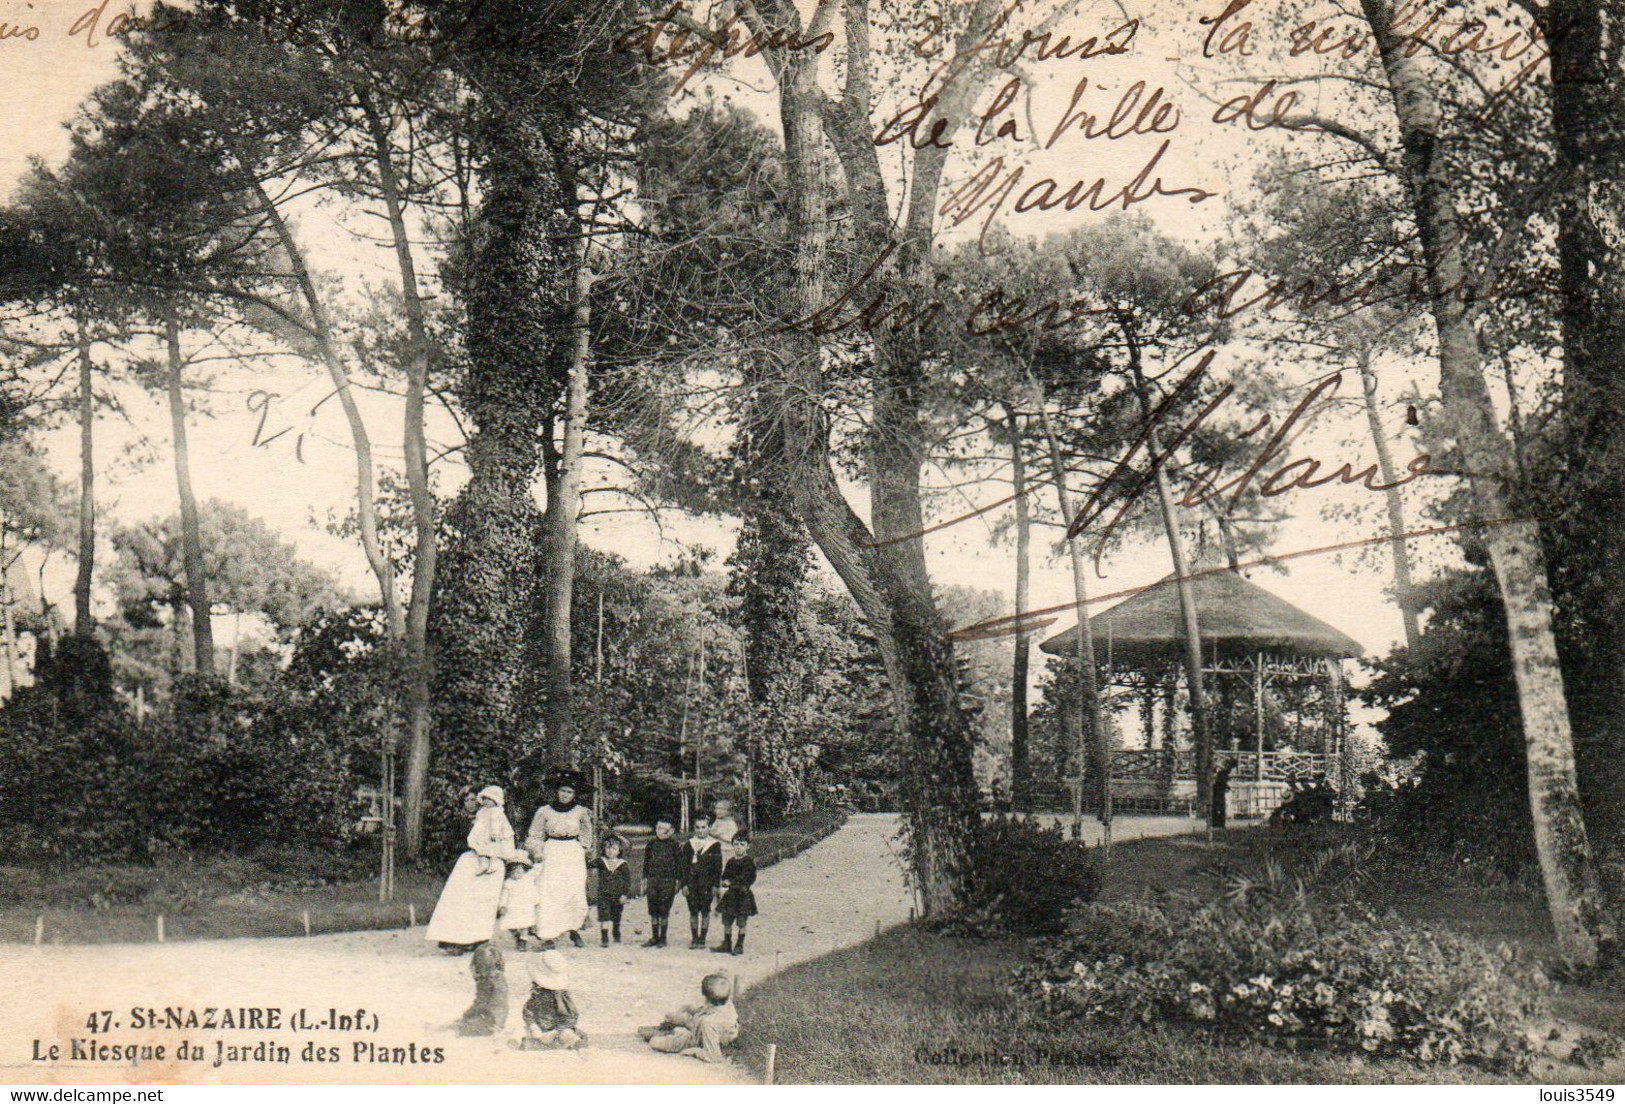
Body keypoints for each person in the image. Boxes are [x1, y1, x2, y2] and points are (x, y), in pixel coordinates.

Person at [425, 785, 519, 950]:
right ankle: (454, 937)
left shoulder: (497, 816)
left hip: (492, 861)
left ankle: (478, 938)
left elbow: (506, 841)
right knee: (460, 900)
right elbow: (454, 844)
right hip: (469, 859)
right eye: (466, 800)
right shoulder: (462, 821)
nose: (470, 803)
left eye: (473, 799)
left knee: (483, 902)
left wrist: (493, 851)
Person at [525, 770, 595, 946]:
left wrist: (584, 848)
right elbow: (535, 834)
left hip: (572, 852)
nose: (565, 795)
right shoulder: (545, 811)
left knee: (573, 890)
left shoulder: (580, 812)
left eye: (569, 792)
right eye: (563, 791)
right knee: (549, 892)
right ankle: (548, 935)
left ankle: (574, 929)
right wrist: (538, 850)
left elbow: (587, 832)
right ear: (557, 791)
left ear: (575, 794)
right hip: (552, 851)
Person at [638, 973, 738, 1064]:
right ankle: (669, 1029)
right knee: (676, 1014)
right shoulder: (726, 1004)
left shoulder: (708, 1023)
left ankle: (668, 1033)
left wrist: (694, 1051)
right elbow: (704, 1010)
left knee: (654, 1042)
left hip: (693, 1039)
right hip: (698, 1028)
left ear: (705, 997)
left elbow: (714, 1057)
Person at [518, 938, 585, 1050]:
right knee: (519, 1031)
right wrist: (535, 1028)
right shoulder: (538, 993)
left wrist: (553, 1032)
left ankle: (577, 1045)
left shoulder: (558, 997)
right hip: (539, 1030)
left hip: (555, 1031)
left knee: (567, 1034)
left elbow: (569, 1018)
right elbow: (528, 1012)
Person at [679, 813, 724, 950]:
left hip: (707, 883)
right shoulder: (689, 845)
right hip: (692, 883)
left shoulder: (714, 845)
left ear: (709, 828)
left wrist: (716, 885)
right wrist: (684, 884)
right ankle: (694, 937)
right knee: (693, 911)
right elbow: (684, 866)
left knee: (705, 911)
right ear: (694, 828)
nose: (700, 830)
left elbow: (718, 867)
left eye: (703, 827)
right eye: (697, 827)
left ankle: (702, 938)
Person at [713, 834, 756, 956]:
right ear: (732, 845)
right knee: (727, 919)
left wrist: (732, 882)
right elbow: (725, 875)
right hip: (731, 895)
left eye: (742, 845)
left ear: (748, 846)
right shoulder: (731, 861)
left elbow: (748, 877)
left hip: (743, 894)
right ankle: (727, 943)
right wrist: (724, 880)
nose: (739, 847)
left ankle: (739, 944)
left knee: (742, 921)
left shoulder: (749, 862)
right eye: (736, 844)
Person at [641, 816, 681, 948]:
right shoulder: (651, 844)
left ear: (671, 831)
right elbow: (646, 863)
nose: (660, 831)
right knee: (653, 908)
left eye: (664, 829)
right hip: (653, 879)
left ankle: (663, 938)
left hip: (667, 880)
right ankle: (654, 936)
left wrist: (678, 880)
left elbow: (679, 864)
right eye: (658, 828)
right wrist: (645, 879)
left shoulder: (674, 845)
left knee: (664, 908)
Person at [593, 833, 632, 946]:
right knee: (603, 914)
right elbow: (589, 864)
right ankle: (604, 938)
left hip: (617, 895)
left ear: (619, 850)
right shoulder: (601, 861)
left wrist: (625, 894)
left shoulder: (622, 864)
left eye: (614, 848)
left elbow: (627, 881)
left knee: (616, 915)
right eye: (607, 848)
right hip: (603, 894)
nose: (610, 851)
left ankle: (616, 932)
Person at [1212, 760, 1236, 830]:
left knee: (1218, 807)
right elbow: (1221, 782)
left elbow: (1222, 782)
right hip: (1218, 791)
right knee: (1220, 807)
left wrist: (1227, 787)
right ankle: (1219, 823)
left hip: (1218, 791)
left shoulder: (1222, 773)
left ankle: (1217, 823)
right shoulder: (1222, 773)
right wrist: (1227, 787)